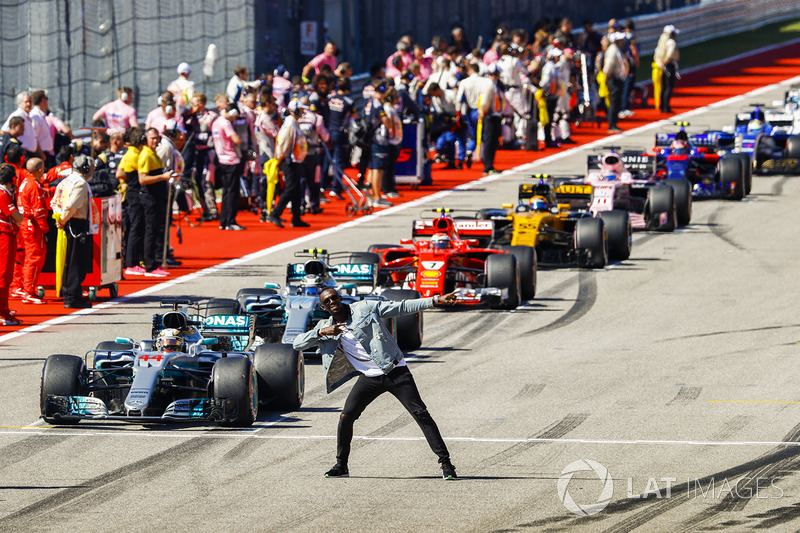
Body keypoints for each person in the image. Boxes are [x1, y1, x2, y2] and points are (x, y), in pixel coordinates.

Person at [293, 286, 459, 480]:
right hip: (369, 377)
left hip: (395, 371)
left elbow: (401, 307)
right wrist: (321, 332)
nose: (332, 302)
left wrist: (435, 300)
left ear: (340, 298)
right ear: (323, 307)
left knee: (420, 413)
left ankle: (446, 464)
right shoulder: (325, 327)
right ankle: (341, 466)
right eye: (327, 301)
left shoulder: (364, 308)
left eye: (334, 298)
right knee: (346, 417)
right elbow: (297, 344)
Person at [51, 155, 94, 309]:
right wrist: (62, 219)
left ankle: (70, 293)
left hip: (66, 222)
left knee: (68, 260)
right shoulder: (80, 183)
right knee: (76, 262)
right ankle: (72, 296)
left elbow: (54, 202)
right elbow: (72, 206)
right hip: (75, 224)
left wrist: (59, 219)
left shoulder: (65, 181)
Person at [265, 99, 309, 228]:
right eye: (301, 109)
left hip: (294, 159)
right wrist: (279, 160)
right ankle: (275, 213)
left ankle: (296, 218)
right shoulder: (290, 124)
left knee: (296, 190)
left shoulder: (294, 122)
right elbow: (284, 143)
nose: (303, 112)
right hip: (288, 159)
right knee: (291, 188)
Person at [137, 128, 174, 276]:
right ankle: (150, 265)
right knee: (150, 230)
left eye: (156, 138)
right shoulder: (146, 155)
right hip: (149, 197)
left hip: (157, 196)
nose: (155, 141)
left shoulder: (154, 153)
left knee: (157, 229)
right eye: (152, 138)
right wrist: (162, 177)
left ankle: (155, 261)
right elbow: (142, 179)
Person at [12, 158, 49, 304]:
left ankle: (24, 288)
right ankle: (29, 291)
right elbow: (38, 210)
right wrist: (44, 227)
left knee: (28, 257)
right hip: (33, 226)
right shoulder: (33, 185)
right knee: (35, 258)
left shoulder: (26, 182)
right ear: (39, 170)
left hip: (25, 224)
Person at [211, 103, 245, 231]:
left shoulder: (216, 122)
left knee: (226, 192)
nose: (235, 119)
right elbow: (236, 140)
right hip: (230, 160)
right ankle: (230, 221)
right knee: (232, 193)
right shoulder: (226, 123)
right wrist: (239, 138)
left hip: (221, 159)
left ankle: (224, 221)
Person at [0, 164, 22, 324]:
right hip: (4, 236)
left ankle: (4, 309)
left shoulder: (6, 192)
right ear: (13, 179)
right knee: (4, 275)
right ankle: (3, 313)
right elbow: (17, 217)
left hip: (8, 234)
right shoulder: (3, 194)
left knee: (7, 275)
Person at [1, 92, 42, 161]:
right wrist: (18, 146)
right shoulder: (17, 114)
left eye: (30, 102)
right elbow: (3, 131)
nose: (29, 104)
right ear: (20, 103)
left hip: (31, 154)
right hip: (22, 155)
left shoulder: (28, 116)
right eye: (26, 102)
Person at [603, 32, 628, 133]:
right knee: (614, 102)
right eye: (620, 40)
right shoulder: (613, 50)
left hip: (617, 78)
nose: (622, 42)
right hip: (613, 78)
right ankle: (611, 125)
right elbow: (609, 65)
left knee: (616, 102)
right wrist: (607, 76)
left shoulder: (617, 49)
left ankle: (614, 123)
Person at [654, 25, 680, 114]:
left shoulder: (661, 42)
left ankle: (662, 106)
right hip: (668, 66)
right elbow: (669, 56)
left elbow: (656, 55)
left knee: (664, 86)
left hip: (661, 66)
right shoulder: (671, 42)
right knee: (669, 87)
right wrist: (665, 63)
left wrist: (660, 64)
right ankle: (666, 107)